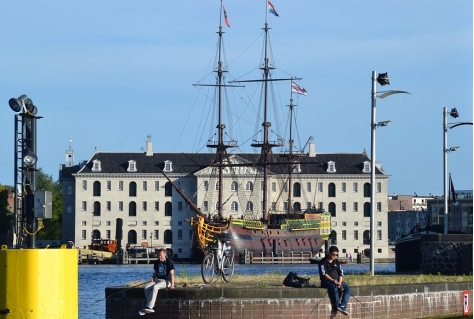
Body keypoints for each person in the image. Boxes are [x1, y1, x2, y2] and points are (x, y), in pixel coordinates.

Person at [139, 248, 175, 316]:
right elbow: (156, 272)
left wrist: (172, 285)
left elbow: (172, 274)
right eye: (158, 255)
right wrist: (152, 278)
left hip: (167, 281)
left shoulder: (169, 262)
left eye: (161, 255)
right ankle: (152, 306)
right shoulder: (156, 262)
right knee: (146, 288)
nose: (159, 257)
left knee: (155, 287)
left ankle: (149, 306)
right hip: (158, 280)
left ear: (165, 254)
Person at [318, 245, 351, 316]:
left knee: (347, 289)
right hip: (326, 281)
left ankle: (342, 306)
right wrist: (333, 281)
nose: (335, 256)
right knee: (334, 287)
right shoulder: (322, 262)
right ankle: (336, 306)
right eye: (333, 254)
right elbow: (324, 274)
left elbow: (340, 273)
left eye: (336, 255)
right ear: (329, 253)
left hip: (337, 280)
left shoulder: (337, 261)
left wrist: (339, 282)